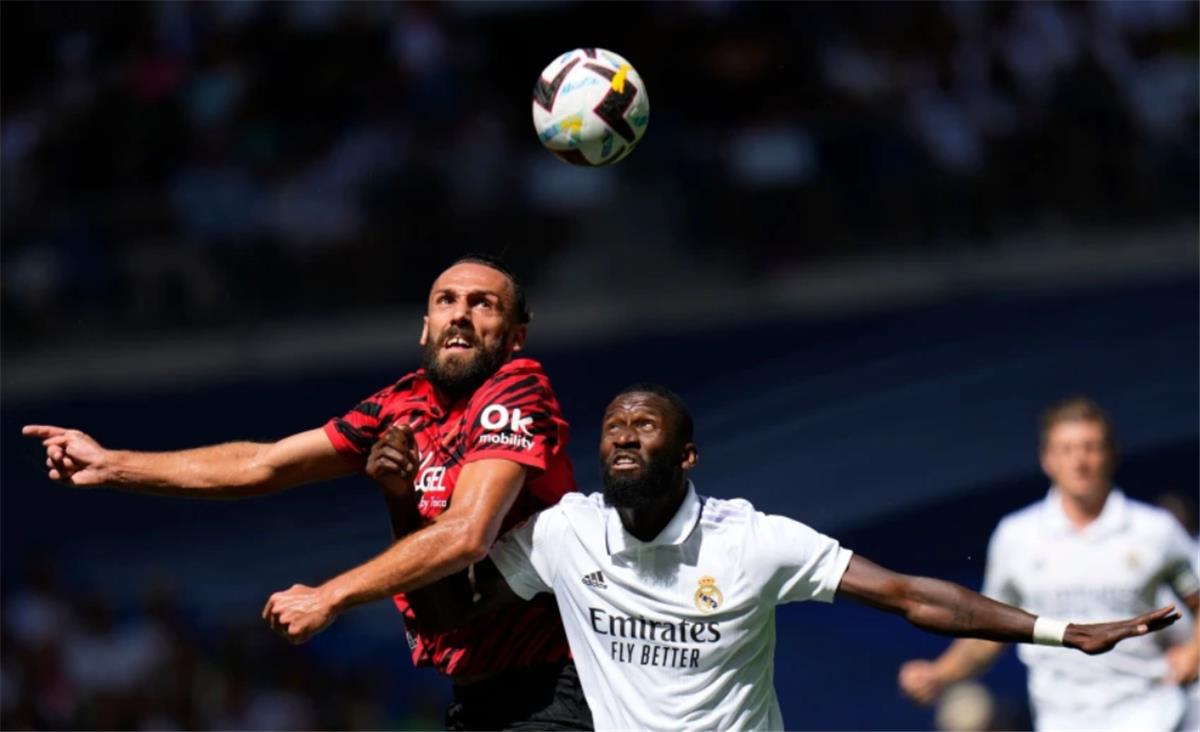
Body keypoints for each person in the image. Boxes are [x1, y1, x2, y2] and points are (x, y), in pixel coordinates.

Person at [363, 383, 1181, 731]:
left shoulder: (754, 541)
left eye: (645, 426)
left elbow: (909, 595)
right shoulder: (562, 533)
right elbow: (447, 611)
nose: (624, 435)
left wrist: (1060, 631)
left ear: (687, 456)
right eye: (613, 426)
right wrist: (403, 504)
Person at [23, 254, 592, 731]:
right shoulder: (400, 404)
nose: (461, 314)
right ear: (425, 326)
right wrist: (113, 464)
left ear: (515, 336)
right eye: (447, 300)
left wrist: (329, 597)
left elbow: (468, 533)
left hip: (552, 686)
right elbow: (263, 465)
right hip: (478, 698)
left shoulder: (515, 388)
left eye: (483, 304)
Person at [899, 397, 1199, 732]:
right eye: (1066, 450)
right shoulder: (1017, 537)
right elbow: (989, 629)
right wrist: (940, 673)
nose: (1079, 461)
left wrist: (1193, 653)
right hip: (1060, 721)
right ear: (1047, 459)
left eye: (1090, 448)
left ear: (1111, 454)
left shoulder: (1155, 531)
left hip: (1151, 716)